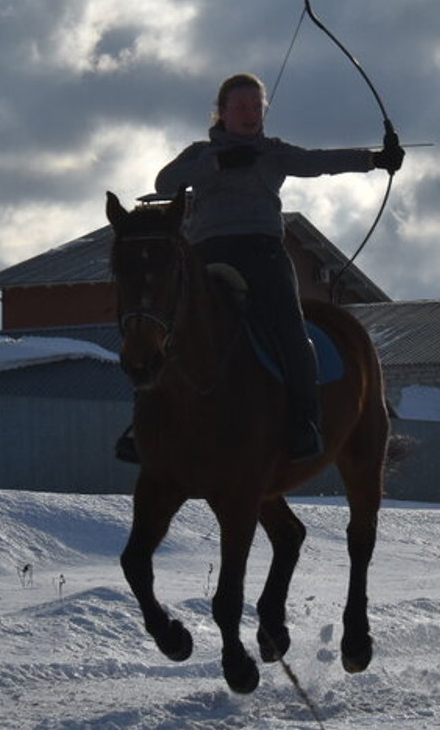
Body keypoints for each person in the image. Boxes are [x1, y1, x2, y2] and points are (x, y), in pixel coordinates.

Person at [119, 71, 404, 463]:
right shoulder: (199, 154)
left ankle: (304, 421)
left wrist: (374, 159)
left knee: (290, 328)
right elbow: (166, 182)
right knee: (165, 325)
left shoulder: (273, 152)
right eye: (241, 107)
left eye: (257, 107)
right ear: (221, 112)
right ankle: (144, 425)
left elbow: (317, 162)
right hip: (206, 256)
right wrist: (215, 165)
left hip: (263, 254)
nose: (250, 114)